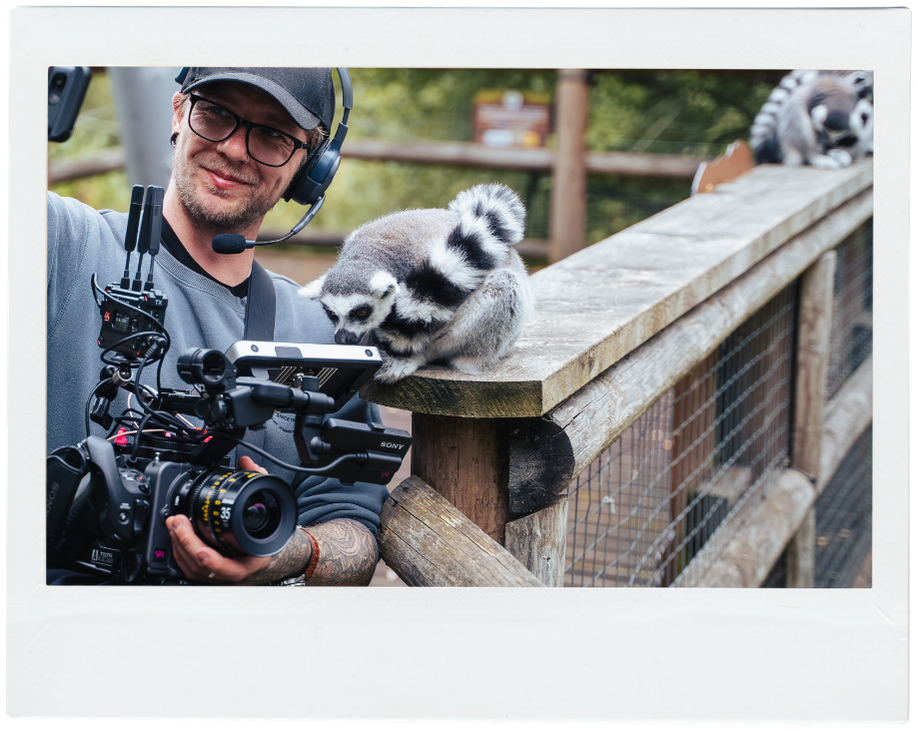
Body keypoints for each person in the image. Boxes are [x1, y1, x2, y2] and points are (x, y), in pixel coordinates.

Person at [47, 67, 389, 585]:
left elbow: (356, 530)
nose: (233, 149)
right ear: (179, 111)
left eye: (272, 134)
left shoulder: (322, 335)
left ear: (309, 167)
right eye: (217, 114)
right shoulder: (65, 246)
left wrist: (285, 553)